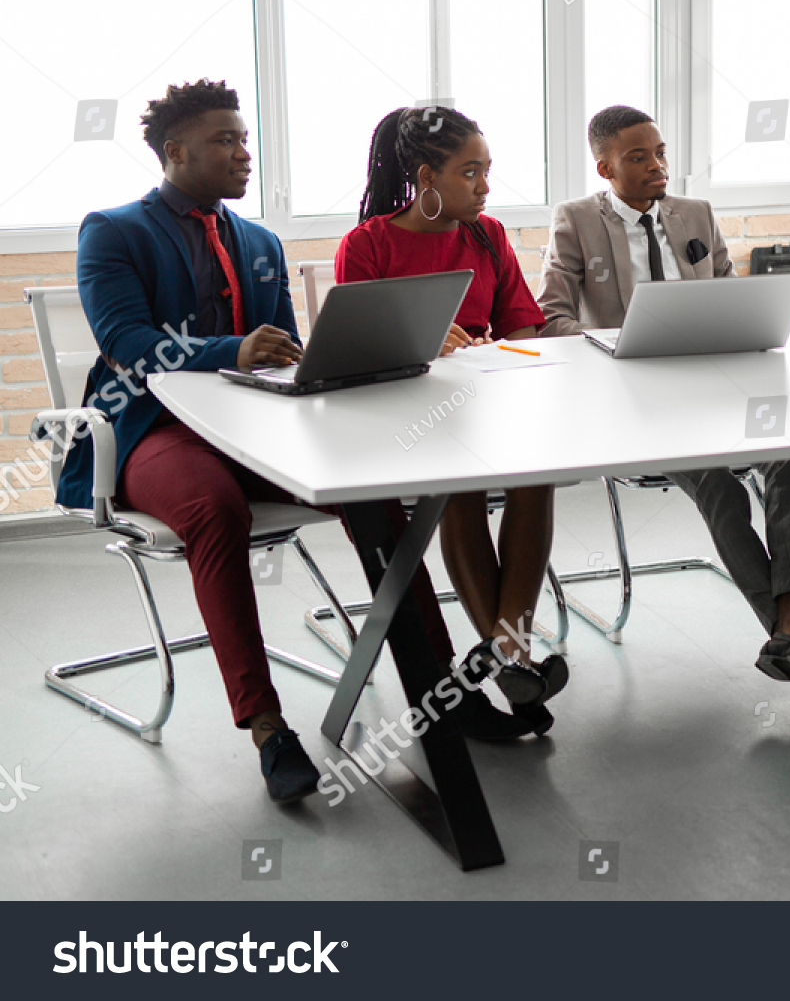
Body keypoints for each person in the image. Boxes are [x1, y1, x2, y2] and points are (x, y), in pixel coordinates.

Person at [54, 81, 522, 805]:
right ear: (175, 152)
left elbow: (286, 350)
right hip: (155, 429)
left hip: (258, 426)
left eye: (245, 139)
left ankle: (442, 690)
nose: (244, 153)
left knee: (371, 494)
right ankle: (269, 726)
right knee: (215, 511)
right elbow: (125, 342)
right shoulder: (113, 231)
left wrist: (328, 358)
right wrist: (229, 349)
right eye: (225, 142)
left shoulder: (260, 241)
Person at [537, 105, 790, 708]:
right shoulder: (576, 220)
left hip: (714, 384)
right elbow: (551, 317)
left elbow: (727, 291)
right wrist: (613, 345)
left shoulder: (694, 213)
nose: (656, 166)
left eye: (661, 153)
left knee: (786, 450)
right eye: (638, 158)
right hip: (634, 400)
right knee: (718, 486)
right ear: (605, 166)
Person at [339, 105, 565, 734]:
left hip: (486, 403)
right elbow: (355, 347)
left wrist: (498, 352)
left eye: (488, 171)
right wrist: (422, 339)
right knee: (459, 489)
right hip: (406, 415)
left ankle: (506, 647)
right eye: (471, 172)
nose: (485, 186)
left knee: (535, 473)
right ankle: (512, 650)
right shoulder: (368, 244)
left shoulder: (488, 236)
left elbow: (524, 326)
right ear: (427, 177)